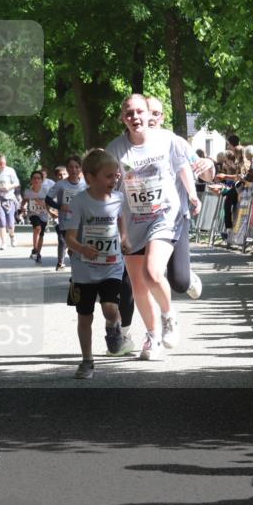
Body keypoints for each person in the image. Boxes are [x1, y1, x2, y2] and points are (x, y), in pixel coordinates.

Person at [105, 94, 198, 361]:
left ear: (148, 114)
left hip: (164, 215)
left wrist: (192, 195)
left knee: (152, 272)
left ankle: (169, 317)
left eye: (139, 112)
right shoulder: (115, 149)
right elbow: (112, 190)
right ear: (123, 119)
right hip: (133, 220)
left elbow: (183, 167)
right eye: (129, 113)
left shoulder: (167, 140)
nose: (135, 117)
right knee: (138, 285)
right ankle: (153, 336)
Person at [65, 149, 130, 379]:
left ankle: (113, 326)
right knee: (85, 317)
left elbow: (120, 218)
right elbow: (69, 237)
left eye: (116, 175)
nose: (114, 180)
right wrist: (82, 248)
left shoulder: (118, 198)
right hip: (84, 271)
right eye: (108, 176)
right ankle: (87, 361)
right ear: (90, 178)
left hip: (112, 265)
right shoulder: (79, 202)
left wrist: (124, 239)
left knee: (110, 309)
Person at [145, 96, 208, 299]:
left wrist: (208, 166)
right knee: (139, 277)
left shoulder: (175, 141)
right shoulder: (127, 144)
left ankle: (186, 276)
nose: (151, 117)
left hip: (174, 217)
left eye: (156, 113)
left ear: (162, 118)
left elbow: (199, 171)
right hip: (141, 219)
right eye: (147, 112)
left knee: (180, 283)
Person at [49, 155, 87, 270]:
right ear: (67, 168)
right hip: (66, 222)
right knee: (72, 248)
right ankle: (75, 272)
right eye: (71, 167)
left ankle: (77, 272)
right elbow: (48, 199)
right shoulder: (61, 184)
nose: (74, 169)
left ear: (81, 169)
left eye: (77, 167)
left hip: (82, 221)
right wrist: (60, 206)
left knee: (79, 248)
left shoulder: (85, 184)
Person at [0, 154, 20, 249]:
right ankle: (3, 243)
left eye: (4, 163)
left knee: (10, 223)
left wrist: (9, 187)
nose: (2, 165)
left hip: (9, 198)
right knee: (2, 221)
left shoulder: (10, 171)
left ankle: (12, 236)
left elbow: (17, 183)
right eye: (0, 163)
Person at [21, 170, 50, 263]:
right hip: (33, 214)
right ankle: (35, 248)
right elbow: (24, 201)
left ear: (42, 180)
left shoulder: (46, 191)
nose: (36, 180)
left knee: (41, 234)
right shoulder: (28, 192)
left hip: (44, 215)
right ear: (31, 180)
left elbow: (50, 203)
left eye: (38, 178)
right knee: (37, 228)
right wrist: (22, 207)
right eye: (34, 178)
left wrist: (44, 204)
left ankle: (38, 253)